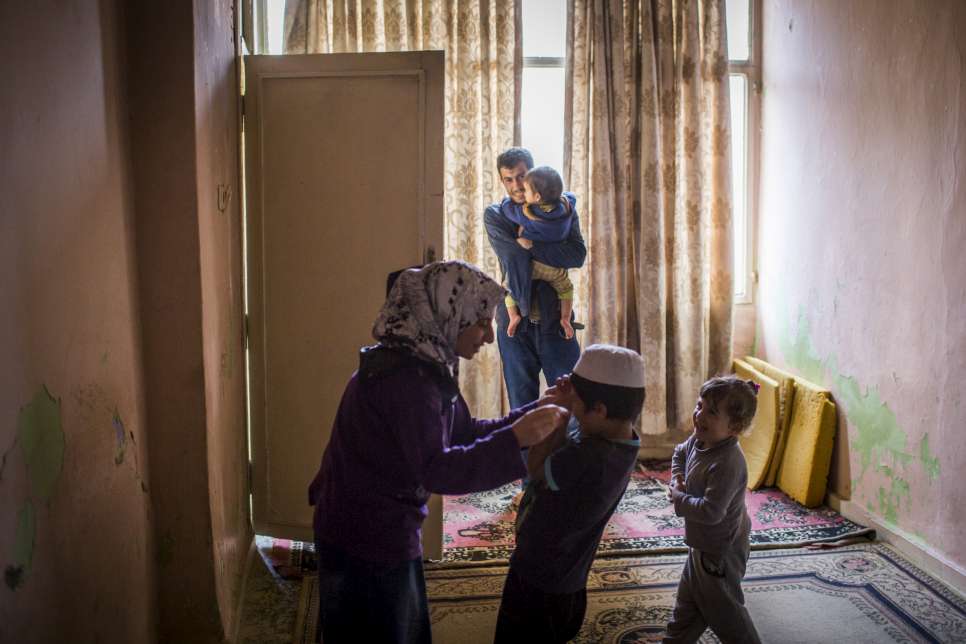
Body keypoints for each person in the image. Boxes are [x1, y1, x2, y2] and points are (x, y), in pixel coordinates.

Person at [307, 261, 570, 644]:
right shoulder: (408, 381)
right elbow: (440, 470)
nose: (489, 336)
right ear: (449, 315)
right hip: (365, 534)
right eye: (481, 322)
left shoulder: (424, 361)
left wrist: (532, 413)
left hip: (374, 525)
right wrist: (516, 439)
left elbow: (463, 431)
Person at [493, 344, 646, 643]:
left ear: (600, 410)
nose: (573, 411)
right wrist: (573, 399)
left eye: (576, 405)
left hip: (538, 584)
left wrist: (558, 414)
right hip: (569, 580)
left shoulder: (588, 457)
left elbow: (536, 469)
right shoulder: (624, 441)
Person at [484, 147, 586, 412]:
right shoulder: (496, 214)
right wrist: (544, 249)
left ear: (531, 173)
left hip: (556, 317)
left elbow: (576, 255)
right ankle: (528, 456)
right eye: (509, 179)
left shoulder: (563, 208)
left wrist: (528, 244)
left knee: (571, 404)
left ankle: (565, 456)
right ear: (502, 181)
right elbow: (513, 257)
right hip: (515, 323)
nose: (516, 185)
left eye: (521, 176)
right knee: (522, 410)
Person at [663, 376, 762, 644]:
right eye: (699, 406)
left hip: (720, 552)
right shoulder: (700, 440)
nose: (699, 416)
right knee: (687, 607)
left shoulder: (728, 462)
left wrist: (679, 498)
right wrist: (677, 479)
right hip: (701, 546)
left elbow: (711, 512)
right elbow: (678, 454)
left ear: (735, 427)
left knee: (728, 617)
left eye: (711, 412)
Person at [501, 165, 578, 341]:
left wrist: (506, 201)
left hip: (536, 265)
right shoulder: (567, 206)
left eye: (526, 190)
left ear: (537, 197)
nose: (522, 191)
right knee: (566, 288)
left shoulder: (533, 216)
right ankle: (565, 319)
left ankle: (514, 316)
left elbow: (509, 210)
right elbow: (572, 197)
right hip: (556, 268)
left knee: (509, 285)